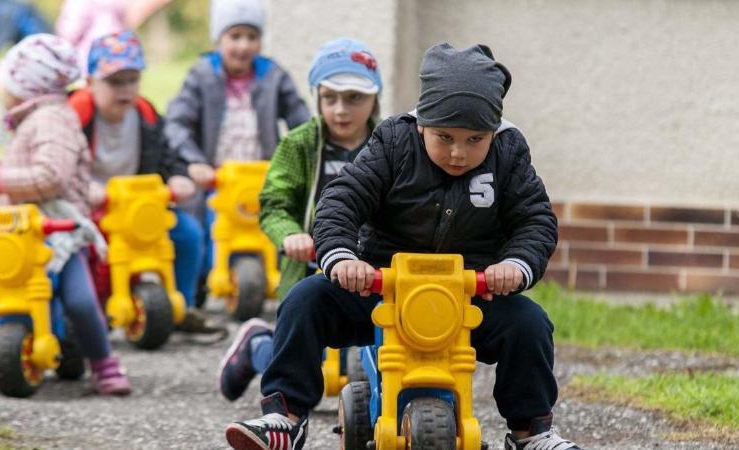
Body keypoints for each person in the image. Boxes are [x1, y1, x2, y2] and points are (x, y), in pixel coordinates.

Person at [225, 43, 581, 450]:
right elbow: (341, 199)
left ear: (494, 133)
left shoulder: (508, 152)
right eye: (444, 137)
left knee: (530, 325)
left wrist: (516, 265)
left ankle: (530, 431)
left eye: (475, 139)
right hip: (381, 291)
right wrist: (342, 257)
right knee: (305, 300)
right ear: (421, 125)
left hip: (468, 296)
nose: (459, 152)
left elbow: (535, 219)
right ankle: (285, 416)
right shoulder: (393, 143)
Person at [0, 34, 131, 396]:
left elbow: (52, 177)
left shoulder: (53, 120)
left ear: (26, 85)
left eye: (8, 80)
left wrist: (5, 178)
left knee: (80, 300)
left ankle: (103, 362)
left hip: (57, 232)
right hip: (17, 234)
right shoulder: (33, 118)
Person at [217, 37, 383, 402]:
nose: (341, 109)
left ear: (374, 99)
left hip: (373, 267)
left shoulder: (390, 145)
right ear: (317, 97)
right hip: (309, 262)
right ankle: (257, 347)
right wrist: (290, 234)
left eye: (354, 98)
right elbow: (274, 203)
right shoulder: (300, 144)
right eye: (330, 98)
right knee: (296, 354)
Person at [164, 0, 309, 299]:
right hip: (216, 175)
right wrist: (194, 162)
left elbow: (299, 118)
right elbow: (176, 123)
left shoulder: (272, 75)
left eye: (251, 37)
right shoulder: (202, 74)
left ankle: (286, 283)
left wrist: (300, 153)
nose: (243, 46)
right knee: (203, 223)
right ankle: (199, 287)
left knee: (281, 218)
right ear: (219, 38)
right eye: (235, 36)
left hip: (260, 174)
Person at [67, 31, 209, 332]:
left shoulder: (143, 112)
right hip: (92, 206)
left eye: (132, 80)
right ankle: (90, 311)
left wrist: (178, 177)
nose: (125, 90)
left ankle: (182, 304)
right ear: (90, 83)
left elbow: (167, 152)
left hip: (139, 208)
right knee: (89, 250)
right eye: (115, 82)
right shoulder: (78, 112)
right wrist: (81, 187)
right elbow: (61, 160)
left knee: (187, 234)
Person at [56, 0, 175, 76]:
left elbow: (70, 31)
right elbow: (131, 17)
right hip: (121, 53)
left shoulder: (77, 3)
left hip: (91, 59)